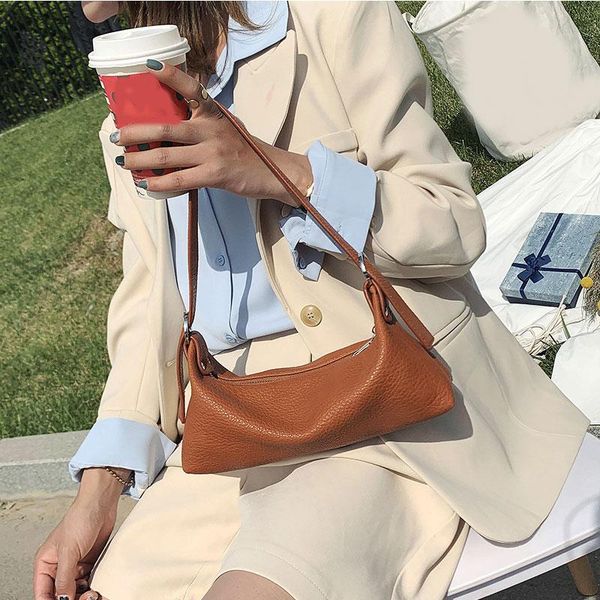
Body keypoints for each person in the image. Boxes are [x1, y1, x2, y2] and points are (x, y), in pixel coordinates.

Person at [34, 2, 590, 599]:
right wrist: (97, 492)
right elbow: (148, 308)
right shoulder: (128, 108)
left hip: (382, 407)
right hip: (230, 429)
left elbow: (451, 223)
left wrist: (282, 173)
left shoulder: (334, 18)